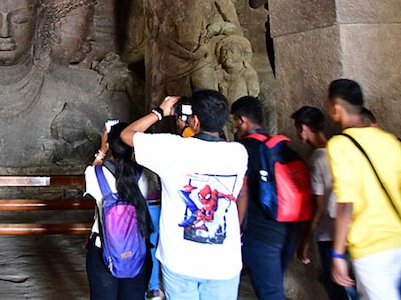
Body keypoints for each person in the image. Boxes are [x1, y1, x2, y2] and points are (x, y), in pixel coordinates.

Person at [121, 90, 248, 300]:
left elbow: (127, 135)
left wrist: (159, 112)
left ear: (195, 120)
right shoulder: (238, 153)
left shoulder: (173, 149)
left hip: (179, 260)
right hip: (223, 262)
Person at [326, 79, 401, 300]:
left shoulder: (339, 145)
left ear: (337, 108)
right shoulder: (389, 141)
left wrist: (337, 254)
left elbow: (346, 205)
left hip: (370, 247)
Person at [232, 95, 301, 300]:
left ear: (242, 120)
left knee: (270, 293)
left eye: (235, 121)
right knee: (271, 285)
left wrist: (236, 229)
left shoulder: (242, 150)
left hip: (259, 232)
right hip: (288, 228)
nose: (236, 126)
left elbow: (241, 191)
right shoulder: (281, 147)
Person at [293, 105, 354, 300]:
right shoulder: (339, 152)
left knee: (335, 287)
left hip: (329, 232)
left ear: (304, 128)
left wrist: (304, 239)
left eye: (298, 129)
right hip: (349, 229)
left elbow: (317, 206)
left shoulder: (316, 159)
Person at [85, 122, 152, 299]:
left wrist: (102, 150)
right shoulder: (145, 176)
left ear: (110, 146)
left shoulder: (95, 175)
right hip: (136, 248)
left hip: (102, 249)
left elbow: (94, 168)